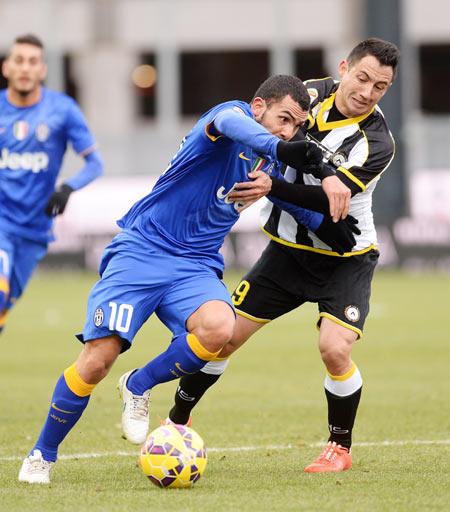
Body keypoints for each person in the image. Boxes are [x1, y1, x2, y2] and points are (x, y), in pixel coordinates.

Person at [18, 73, 356, 484]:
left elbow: (281, 193)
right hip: (142, 250)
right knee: (97, 359)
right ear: (258, 107)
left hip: (195, 264)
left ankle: (138, 385)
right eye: (283, 118)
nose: (288, 130)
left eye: (295, 126)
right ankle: (42, 454)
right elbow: (239, 128)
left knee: (220, 328)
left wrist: (327, 224)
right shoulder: (228, 116)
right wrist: (283, 146)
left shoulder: (270, 159)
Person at [164, 38, 400, 473]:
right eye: (363, 78)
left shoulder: (376, 142)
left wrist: (272, 187)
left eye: (380, 86)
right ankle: (176, 421)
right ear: (344, 67)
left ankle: (339, 449)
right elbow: (260, 127)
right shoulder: (305, 95)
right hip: (286, 252)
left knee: (334, 349)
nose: (367, 91)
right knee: (224, 338)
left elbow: (327, 204)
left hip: (346, 256)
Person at [0, 34, 104, 333]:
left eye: (32, 62)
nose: (25, 68)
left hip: (35, 228)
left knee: (4, 303)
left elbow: (95, 163)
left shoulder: (62, 110)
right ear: (7, 67)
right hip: (2, 220)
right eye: (18, 60)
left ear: (42, 70)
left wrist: (67, 187)